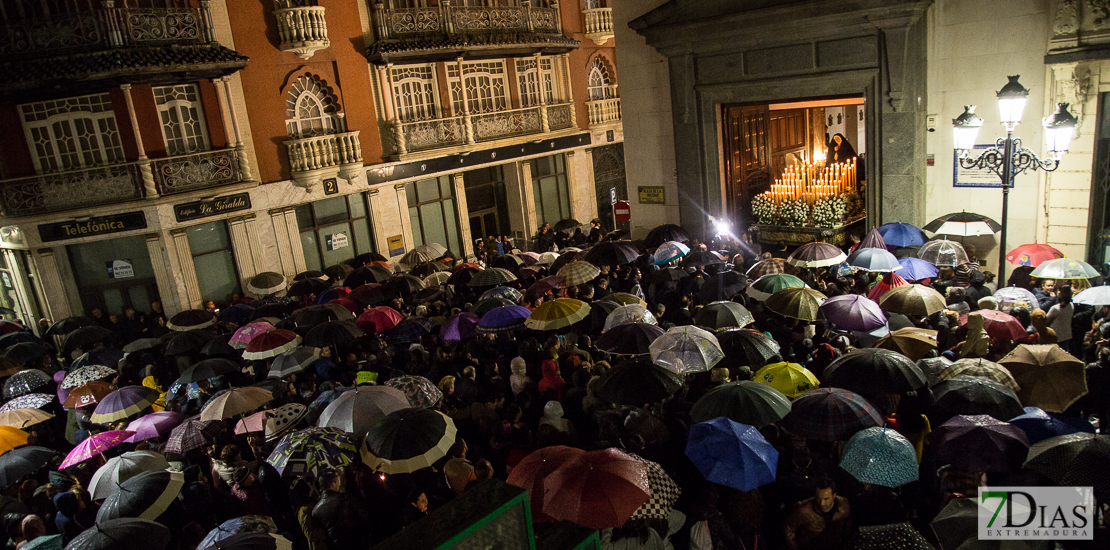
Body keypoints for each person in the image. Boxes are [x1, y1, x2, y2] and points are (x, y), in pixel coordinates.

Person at [783, 477, 852, 550]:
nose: (822, 503)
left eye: (826, 499)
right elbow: (788, 530)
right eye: (818, 498)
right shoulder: (803, 509)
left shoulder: (843, 505)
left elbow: (847, 526)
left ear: (834, 496)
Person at [1047, 285, 1075, 353]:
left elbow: (1046, 319)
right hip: (1067, 335)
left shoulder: (1055, 308)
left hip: (1056, 336)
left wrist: (1052, 298)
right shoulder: (1071, 305)